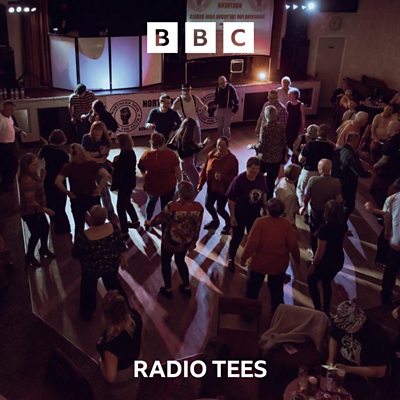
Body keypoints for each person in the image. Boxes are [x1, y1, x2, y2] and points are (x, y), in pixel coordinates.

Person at [241, 198, 300, 313]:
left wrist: (243, 258)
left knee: (252, 290)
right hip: (278, 264)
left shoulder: (260, 222)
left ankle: (249, 314)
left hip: (258, 263)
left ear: (267, 210)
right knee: (276, 292)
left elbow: (252, 244)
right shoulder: (286, 224)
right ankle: (277, 315)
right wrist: (297, 259)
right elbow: (293, 244)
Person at [147, 181, 203, 299]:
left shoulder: (172, 206)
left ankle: (168, 289)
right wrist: (193, 241)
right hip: (185, 241)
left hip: (170, 240)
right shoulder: (198, 208)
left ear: (179, 193)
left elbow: (159, 219)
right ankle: (186, 287)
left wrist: (150, 223)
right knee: (181, 261)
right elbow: (197, 226)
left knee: (166, 262)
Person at [327, 300, 393, 400]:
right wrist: (331, 358)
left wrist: (348, 369)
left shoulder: (376, 335)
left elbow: (379, 371)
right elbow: (334, 337)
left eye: (349, 327)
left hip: (368, 377)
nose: (347, 330)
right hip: (345, 367)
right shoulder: (340, 322)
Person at [72, 205, 128, 320]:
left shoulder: (83, 236)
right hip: (111, 265)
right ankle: (124, 307)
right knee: (114, 285)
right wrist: (123, 258)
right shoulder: (113, 228)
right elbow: (121, 245)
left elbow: (76, 253)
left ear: (91, 219)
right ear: (105, 217)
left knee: (88, 289)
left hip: (91, 268)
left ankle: (87, 312)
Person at [55, 143, 110, 233]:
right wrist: (99, 189)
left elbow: (57, 181)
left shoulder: (69, 167)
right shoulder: (91, 164)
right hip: (92, 196)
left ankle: (80, 241)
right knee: (98, 222)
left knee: (79, 225)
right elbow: (106, 175)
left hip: (77, 198)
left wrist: (67, 192)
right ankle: (100, 238)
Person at [97, 290, 142, 400]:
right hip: (136, 363)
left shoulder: (111, 344)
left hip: (122, 374)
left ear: (107, 317)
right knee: (132, 391)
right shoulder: (135, 317)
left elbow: (111, 377)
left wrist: (101, 363)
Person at [227, 157, 267, 272]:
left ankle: (252, 258)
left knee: (253, 236)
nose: (255, 171)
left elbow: (264, 192)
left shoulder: (261, 178)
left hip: (254, 214)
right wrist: (232, 216)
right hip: (240, 213)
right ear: (247, 168)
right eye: (253, 168)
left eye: (257, 168)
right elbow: (231, 200)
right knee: (237, 237)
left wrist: (264, 206)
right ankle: (231, 257)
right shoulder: (239, 180)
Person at [307, 200, 346, 313]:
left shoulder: (324, 229)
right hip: (337, 259)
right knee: (326, 283)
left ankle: (318, 308)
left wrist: (313, 264)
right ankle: (326, 309)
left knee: (311, 281)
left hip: (325, 262)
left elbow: (320, 252)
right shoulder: (343, 226)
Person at [18, 153, 55, 266]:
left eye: (36, 164)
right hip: (29, 211)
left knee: (45, 228)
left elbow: (37, 188)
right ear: (27, 166)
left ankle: (43, 249)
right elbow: (30, 200)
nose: (37, 166)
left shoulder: (33, 175)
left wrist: (42, 178)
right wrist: (45, 210)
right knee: (36, 233)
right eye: (34, 165)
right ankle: (29, 256)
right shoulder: (27, 179)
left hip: (37, 209)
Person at [198, 136, 238, 233]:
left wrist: (223, 178)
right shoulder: (211, 155)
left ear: (227, 146)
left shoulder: (232, 160)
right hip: (212, 187)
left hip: (223, 189)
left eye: (222, 145)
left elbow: (234, 178)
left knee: (220, 209)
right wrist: (200, 184)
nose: (220, 147)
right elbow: (205, 170)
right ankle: (215, 221)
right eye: (218, 145)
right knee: (208, 205)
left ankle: (229, 223)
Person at [138, 133, 181, 223]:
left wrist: (146, 176)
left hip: (151, 186)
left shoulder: (146, 155)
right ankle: (164, 223)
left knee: (151, 203)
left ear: (151, 142)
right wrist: (180, 182)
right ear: (163, 143)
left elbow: (142, 169)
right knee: (165, 206)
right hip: (168, 186)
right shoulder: (171, 155)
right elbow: (178, 172)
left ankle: (148, 221)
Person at [302, 159, 342, 252]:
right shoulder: (336, 182)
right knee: (325, 233)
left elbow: (306, 196)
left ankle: (314, 251)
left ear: (319, 169)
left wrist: (304, 206)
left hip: (315, 211)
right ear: (331, 169)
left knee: (314, 232)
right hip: (328, 213)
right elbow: (339, 200)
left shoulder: (313, 180)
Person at [249, 105, 287, 199]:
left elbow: (262, 145)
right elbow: (284, 143)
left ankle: (258, 196)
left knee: (259, 178)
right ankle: (269, 199)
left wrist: (253, 146)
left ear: (266, 116)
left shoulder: (265, 127)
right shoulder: (281, 127)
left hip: (265, 159)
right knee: (271, 181)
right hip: (276, 159)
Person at [81, 121, 117, 222]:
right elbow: (84, 155)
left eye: (99, 130)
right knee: (90, 190)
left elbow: (103, 159)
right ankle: (94, 212)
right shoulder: (86, 138)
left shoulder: (107, 141)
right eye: (95, 130)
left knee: (104, 190)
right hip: (88, 168)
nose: (97, 132)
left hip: (100, 167)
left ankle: (110, 213)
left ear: (103, 131)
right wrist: (99, 153)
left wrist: (91, 156)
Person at [332, 133, 371, 223]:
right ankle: (341, 223)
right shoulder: (351, 154)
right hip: (347, 184)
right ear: (355, 141)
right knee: (348, 206)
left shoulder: (338, 150)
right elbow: (359, 172)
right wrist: (369, 174)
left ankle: (334, 219)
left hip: (336, 181)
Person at [38, 129, 71, 234]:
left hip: (48, 178)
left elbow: (39, 157)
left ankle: (53, 221)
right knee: (61, 203)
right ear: (62, 140)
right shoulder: (63, 155)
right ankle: (63, 227)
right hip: (60, 179)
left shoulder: (45, 149)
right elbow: (67, 168)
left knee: (50, 200)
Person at [297, 124, 335, 211]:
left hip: (308, 172)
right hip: (321, 174)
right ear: (328, 135)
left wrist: (302, 149)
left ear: (317, 133)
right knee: (315, 194)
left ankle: (303, 210)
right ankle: (311, 211)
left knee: (301, 190)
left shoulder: (310, 145)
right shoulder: (330, 147)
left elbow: (300, 160)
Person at [111, 134, 139, 237]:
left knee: (120, 207)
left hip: (124, 184)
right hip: (130, 182)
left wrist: (113, 163)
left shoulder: (124, 154)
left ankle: (124, 231)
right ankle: (135, 221)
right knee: (127, 203)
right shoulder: (130, 152)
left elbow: (118, 168)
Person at [172, 117, 209, 189]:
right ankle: (193, 195)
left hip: (181, 161)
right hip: (188, 162)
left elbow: (172, 145)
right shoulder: (187, 139)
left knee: (184, 182)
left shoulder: (178, 134)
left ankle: (183, 194)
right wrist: (205, 143)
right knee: (197, 183)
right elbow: (196, 149)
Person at [370, 120, 400, 208]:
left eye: (388, 127)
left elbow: (384, 159)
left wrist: (375, 166)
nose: (387, 128)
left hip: (386, 171)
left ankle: (381, 211)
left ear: (392, 129)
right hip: (396, 172)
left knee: (377, 191)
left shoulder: (391, 142)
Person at [0, 101, 26, 192]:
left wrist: (20, 131)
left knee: (14, 164)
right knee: (6, 166)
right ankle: (5, 185)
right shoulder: (1, 119)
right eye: (11, 110)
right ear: (5, 108)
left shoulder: (9, 116)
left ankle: (10, 182)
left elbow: (12, 125)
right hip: (3, 146)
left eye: (13, 110)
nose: (12, 112)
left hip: (11, 144)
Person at [381, 180, 400, 304]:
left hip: (396, 241)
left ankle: (386, 295)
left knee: (390, 270)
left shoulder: (392, 199)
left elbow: (387, 217)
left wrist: (387, 232)